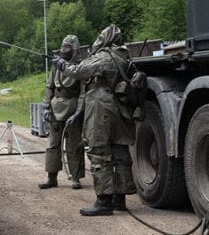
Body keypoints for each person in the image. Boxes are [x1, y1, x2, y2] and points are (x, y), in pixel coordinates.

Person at [53, 25, 136, 216]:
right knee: (120, 152)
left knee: (99, 151)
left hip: (101, 106)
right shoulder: (123, 56)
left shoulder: (105, 56)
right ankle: (119, 199)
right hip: (120, 107)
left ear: (105, 39)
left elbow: (79, 71)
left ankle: (104, 201)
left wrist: (61, 65)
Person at [38, 35, 85, 190]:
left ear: (74, 49)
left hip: (72, 111)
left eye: (68, 47)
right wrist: (46, 107)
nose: (64, 50)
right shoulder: (56, 66)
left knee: (74, 146)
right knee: (53, 145)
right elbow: (49, 87)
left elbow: (83, 93)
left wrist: (78, 112)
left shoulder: (80, 67)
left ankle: (76, 178)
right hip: (55, 110)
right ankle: (51, 178)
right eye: (63, 46)